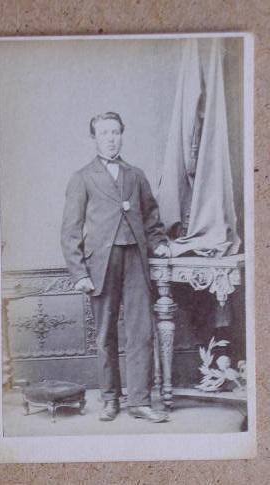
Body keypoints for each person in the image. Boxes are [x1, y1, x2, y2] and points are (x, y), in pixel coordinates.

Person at [61, 112, 170, 422]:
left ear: (122, 135)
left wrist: (159, 241)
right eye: (104, 133)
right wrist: (79, 272)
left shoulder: (136, 175)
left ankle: (140, 401)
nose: (110, 138)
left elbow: (151, 217)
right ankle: (110, 399)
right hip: (101, 264)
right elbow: (70, 229)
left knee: (141, 332)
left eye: (115, 132)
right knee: (105, 333)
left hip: (136, 258)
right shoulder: (82, 177)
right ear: (94, 138)